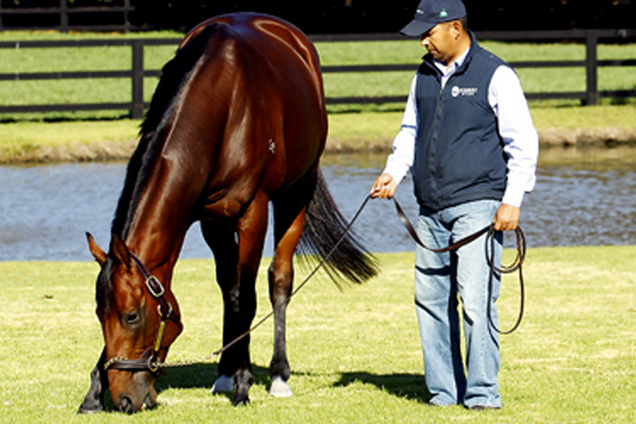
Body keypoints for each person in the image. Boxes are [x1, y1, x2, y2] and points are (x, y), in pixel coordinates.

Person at [370, 0, 538, 410]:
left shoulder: (496, 74)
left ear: (456, 29)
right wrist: (394, 172)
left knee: (476, 302)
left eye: (429, 32)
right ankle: (444, 394)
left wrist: (512, 201)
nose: (424, 40)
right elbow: (410, 131)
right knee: (430, 302)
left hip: (479, 205)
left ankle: (482, 394)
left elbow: (523, 142)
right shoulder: (422, 76)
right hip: (430, 208)